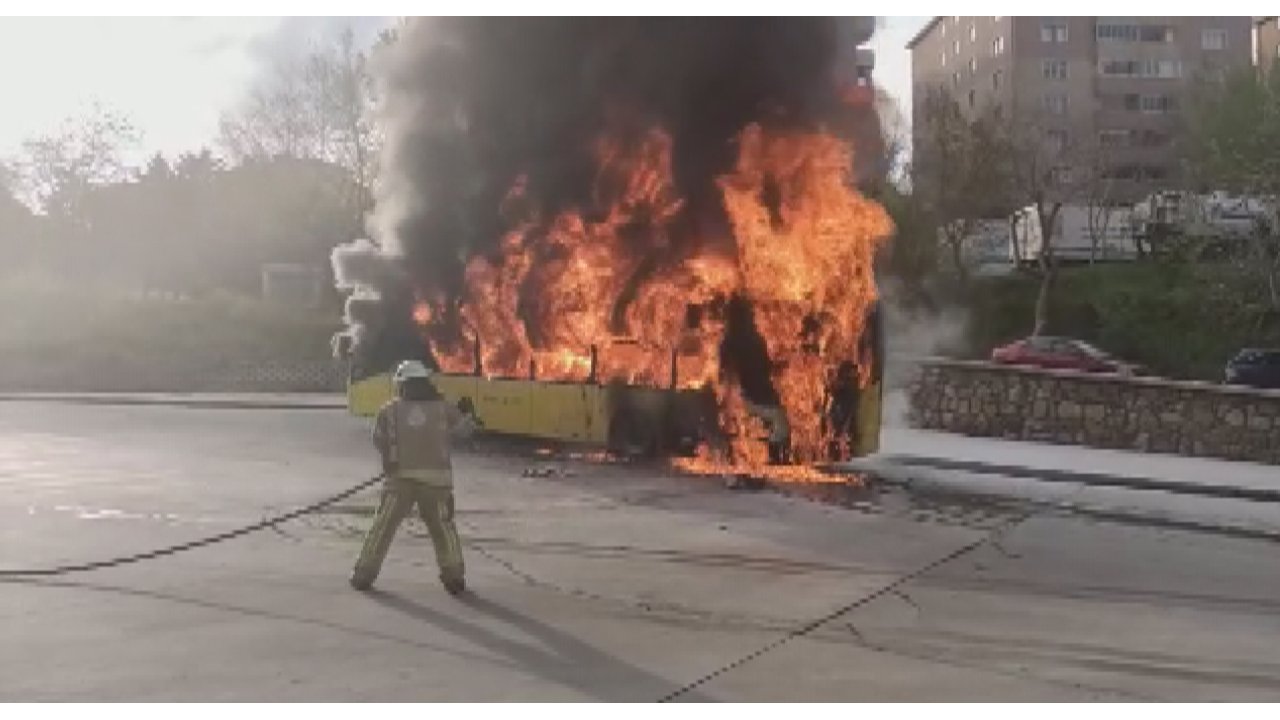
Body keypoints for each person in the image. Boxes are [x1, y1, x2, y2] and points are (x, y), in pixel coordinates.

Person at [350, 360, 479, 595]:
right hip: (437, 482)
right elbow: (464, 432)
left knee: (383, 526)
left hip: (399, 480)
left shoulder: (388, 410)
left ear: (402, 384)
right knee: (443, 529)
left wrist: (395, 458)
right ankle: (454, 577)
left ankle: (364, 574)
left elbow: (378, 440)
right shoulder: (445, 408)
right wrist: (469, 416)